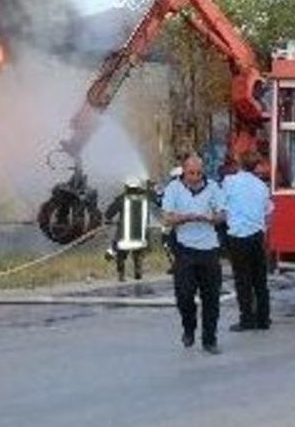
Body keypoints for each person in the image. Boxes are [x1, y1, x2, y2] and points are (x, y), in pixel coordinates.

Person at [161, 154, 225, 353]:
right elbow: (166, 218)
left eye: (198, 173)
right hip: (185, 249)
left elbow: (223, 215)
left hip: (209, 249)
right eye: (191, 173)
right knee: (184, 295)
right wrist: (185, 218)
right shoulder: (173, 188)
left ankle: (209, 340)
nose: (195, 177)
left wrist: (211, 218)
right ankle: (189, 328)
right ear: (184, 171)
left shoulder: (213, 187)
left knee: (211, 297)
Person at [221, 151, 274, 330]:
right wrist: (263, 229)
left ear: (239, 163)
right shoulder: (262, 186)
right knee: (260, 279)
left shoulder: (229, 182)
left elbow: (221, 205)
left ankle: (247, 318)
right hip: (257, 235)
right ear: (256, 166)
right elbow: (269, 212)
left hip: (237, 236)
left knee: (242, 279)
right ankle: (263, 318)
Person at [103, 178, 153, 281]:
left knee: (117, 251)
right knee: (138, 251)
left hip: (124, 239)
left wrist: (110, 220)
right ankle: (138, 268)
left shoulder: (121, 199)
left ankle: (121, 272)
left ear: (126, 187)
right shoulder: (145, 199)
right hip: (141, 239)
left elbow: (108, 214)